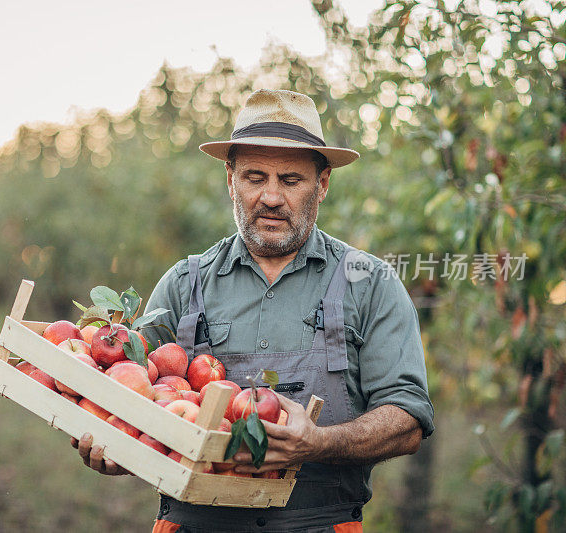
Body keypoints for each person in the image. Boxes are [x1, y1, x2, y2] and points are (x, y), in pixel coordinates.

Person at [71, 89, 434, 532]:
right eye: (255, 176)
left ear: (322, 184)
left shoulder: (370, 283)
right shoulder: (185, 285)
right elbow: (139, 403)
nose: (271, 196)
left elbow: (408, 416)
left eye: (292, 180)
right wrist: (120, 448)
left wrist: (320, 443)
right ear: (230, 179)